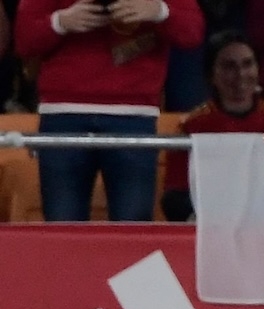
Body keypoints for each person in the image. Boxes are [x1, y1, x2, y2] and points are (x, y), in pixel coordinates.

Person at [14, 0, 205, 221]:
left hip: (133, 115)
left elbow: (193, 32)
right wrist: (61, 22)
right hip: (64, 113)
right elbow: (23, 41)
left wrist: (159, 11)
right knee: (62, 227)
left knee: (132, 229)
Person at [162, 29, 264, 222]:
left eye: (247, 64)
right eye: (229, 66)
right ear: (211, 74)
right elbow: (174, 197)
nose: (240, 74)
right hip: (211, 225)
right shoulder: (193, 126)